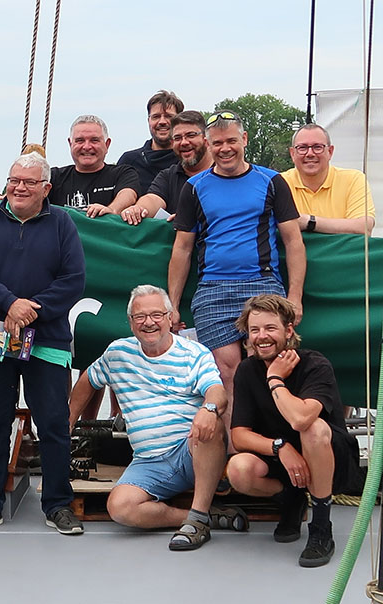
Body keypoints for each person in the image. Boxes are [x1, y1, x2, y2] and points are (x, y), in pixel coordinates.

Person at [0, 152, 86, 536]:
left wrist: (31, 310)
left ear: (46, 188)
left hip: (47, 341)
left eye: (29, 182)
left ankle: (58, 504)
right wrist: (9, 303)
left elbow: (73, 279)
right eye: (14, 180)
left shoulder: (62, 222)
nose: (19, 187)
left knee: (53, 424)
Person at [67, 285, 247, 550]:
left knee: (211, 424)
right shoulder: (118, 353)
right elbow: (88, 380)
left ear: (170, 317)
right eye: (140, 317)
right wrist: (67, 423)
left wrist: (208, 410)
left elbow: (217, 391)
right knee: (119, 507)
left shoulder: (193, 353)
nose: (148, 322)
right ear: (130, 323)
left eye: (156, 315)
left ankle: (197, 521)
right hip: (148, 462)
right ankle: (203, 517)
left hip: (191, 451)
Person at [168, 111, 306, 427]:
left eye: (232, 140)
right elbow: (182, 248)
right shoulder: (194, 186)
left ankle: (275, 449)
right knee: (225, 371)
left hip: (263, 284)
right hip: (213, 290)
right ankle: (235, 457)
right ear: (208, 144)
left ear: (244, 140)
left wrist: (294, 296)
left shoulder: (271, 181)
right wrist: (172, 305)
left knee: (269, 365)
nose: (225, 148)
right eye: (218, 143)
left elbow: (293, 241)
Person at [226, 294, 357, 567]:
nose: (262, 336)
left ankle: (321, 527)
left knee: (313, 428)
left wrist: (275, 378)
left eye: (270, 328)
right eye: (254, 330)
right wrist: (280, 447)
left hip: (329, 459)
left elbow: (299, 420)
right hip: (282, 460)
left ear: (288, 330)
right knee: (238, 469)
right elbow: (239, 435)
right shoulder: (247, 371)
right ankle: (291, 498)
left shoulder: (315, 364)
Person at [120, 110, 213, 225]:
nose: (184, 142)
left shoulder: (225, 173)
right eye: (177, 138)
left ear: (206, 139)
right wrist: (138, 209)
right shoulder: (168, 176)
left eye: (191, 135)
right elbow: (153, 199)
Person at [281, 124, 376, 235]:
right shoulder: (279, 183)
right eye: (302, 148)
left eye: (317, 147)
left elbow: (363, 228)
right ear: (292, 153)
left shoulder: (353, 179)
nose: (310, 154)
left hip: (342, 253)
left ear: (330, 152)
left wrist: (309, 221)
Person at [49, 115, 141, 217]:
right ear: (70, 144)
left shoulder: (123, 173)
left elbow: (128, 194)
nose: (87, 147)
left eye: (94, 140)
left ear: (107, 144)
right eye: (80, 140)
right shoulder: (53, 177)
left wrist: (111, 210)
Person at [117, 90, 185, 191]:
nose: (162, 122)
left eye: (169, 116)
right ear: (148, 120)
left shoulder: (188, 160)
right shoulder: (129, 161)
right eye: (156, 117)